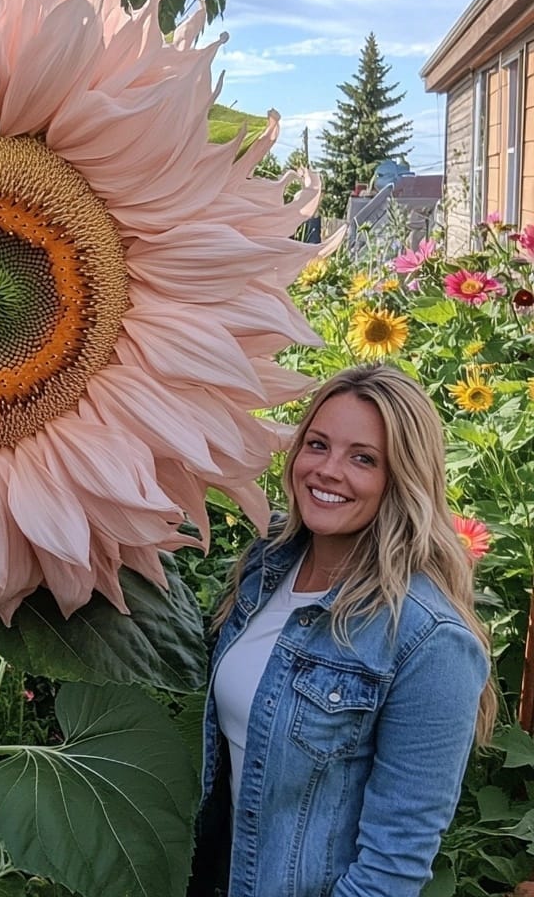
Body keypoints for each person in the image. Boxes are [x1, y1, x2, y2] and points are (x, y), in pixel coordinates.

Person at [191, 363, 496, 897]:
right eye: (317, 444)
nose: (328, 471)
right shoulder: (266, 568)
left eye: (363, 458)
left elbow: (393, 867)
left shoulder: (429, 640)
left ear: (401, 478)